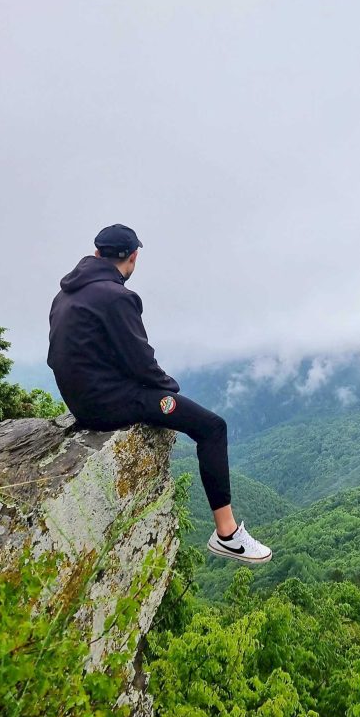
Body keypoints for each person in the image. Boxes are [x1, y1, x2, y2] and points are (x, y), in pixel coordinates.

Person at [47, 223, 272, 564]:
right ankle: (226, 534)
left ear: (97, 254)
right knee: (212, 427)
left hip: (81, 401)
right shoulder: (117, 298)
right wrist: (168, 390)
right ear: (133, 257)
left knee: (198, 419)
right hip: (110, 404)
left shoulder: (64, 295)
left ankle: (227, 533)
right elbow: (141, 361)